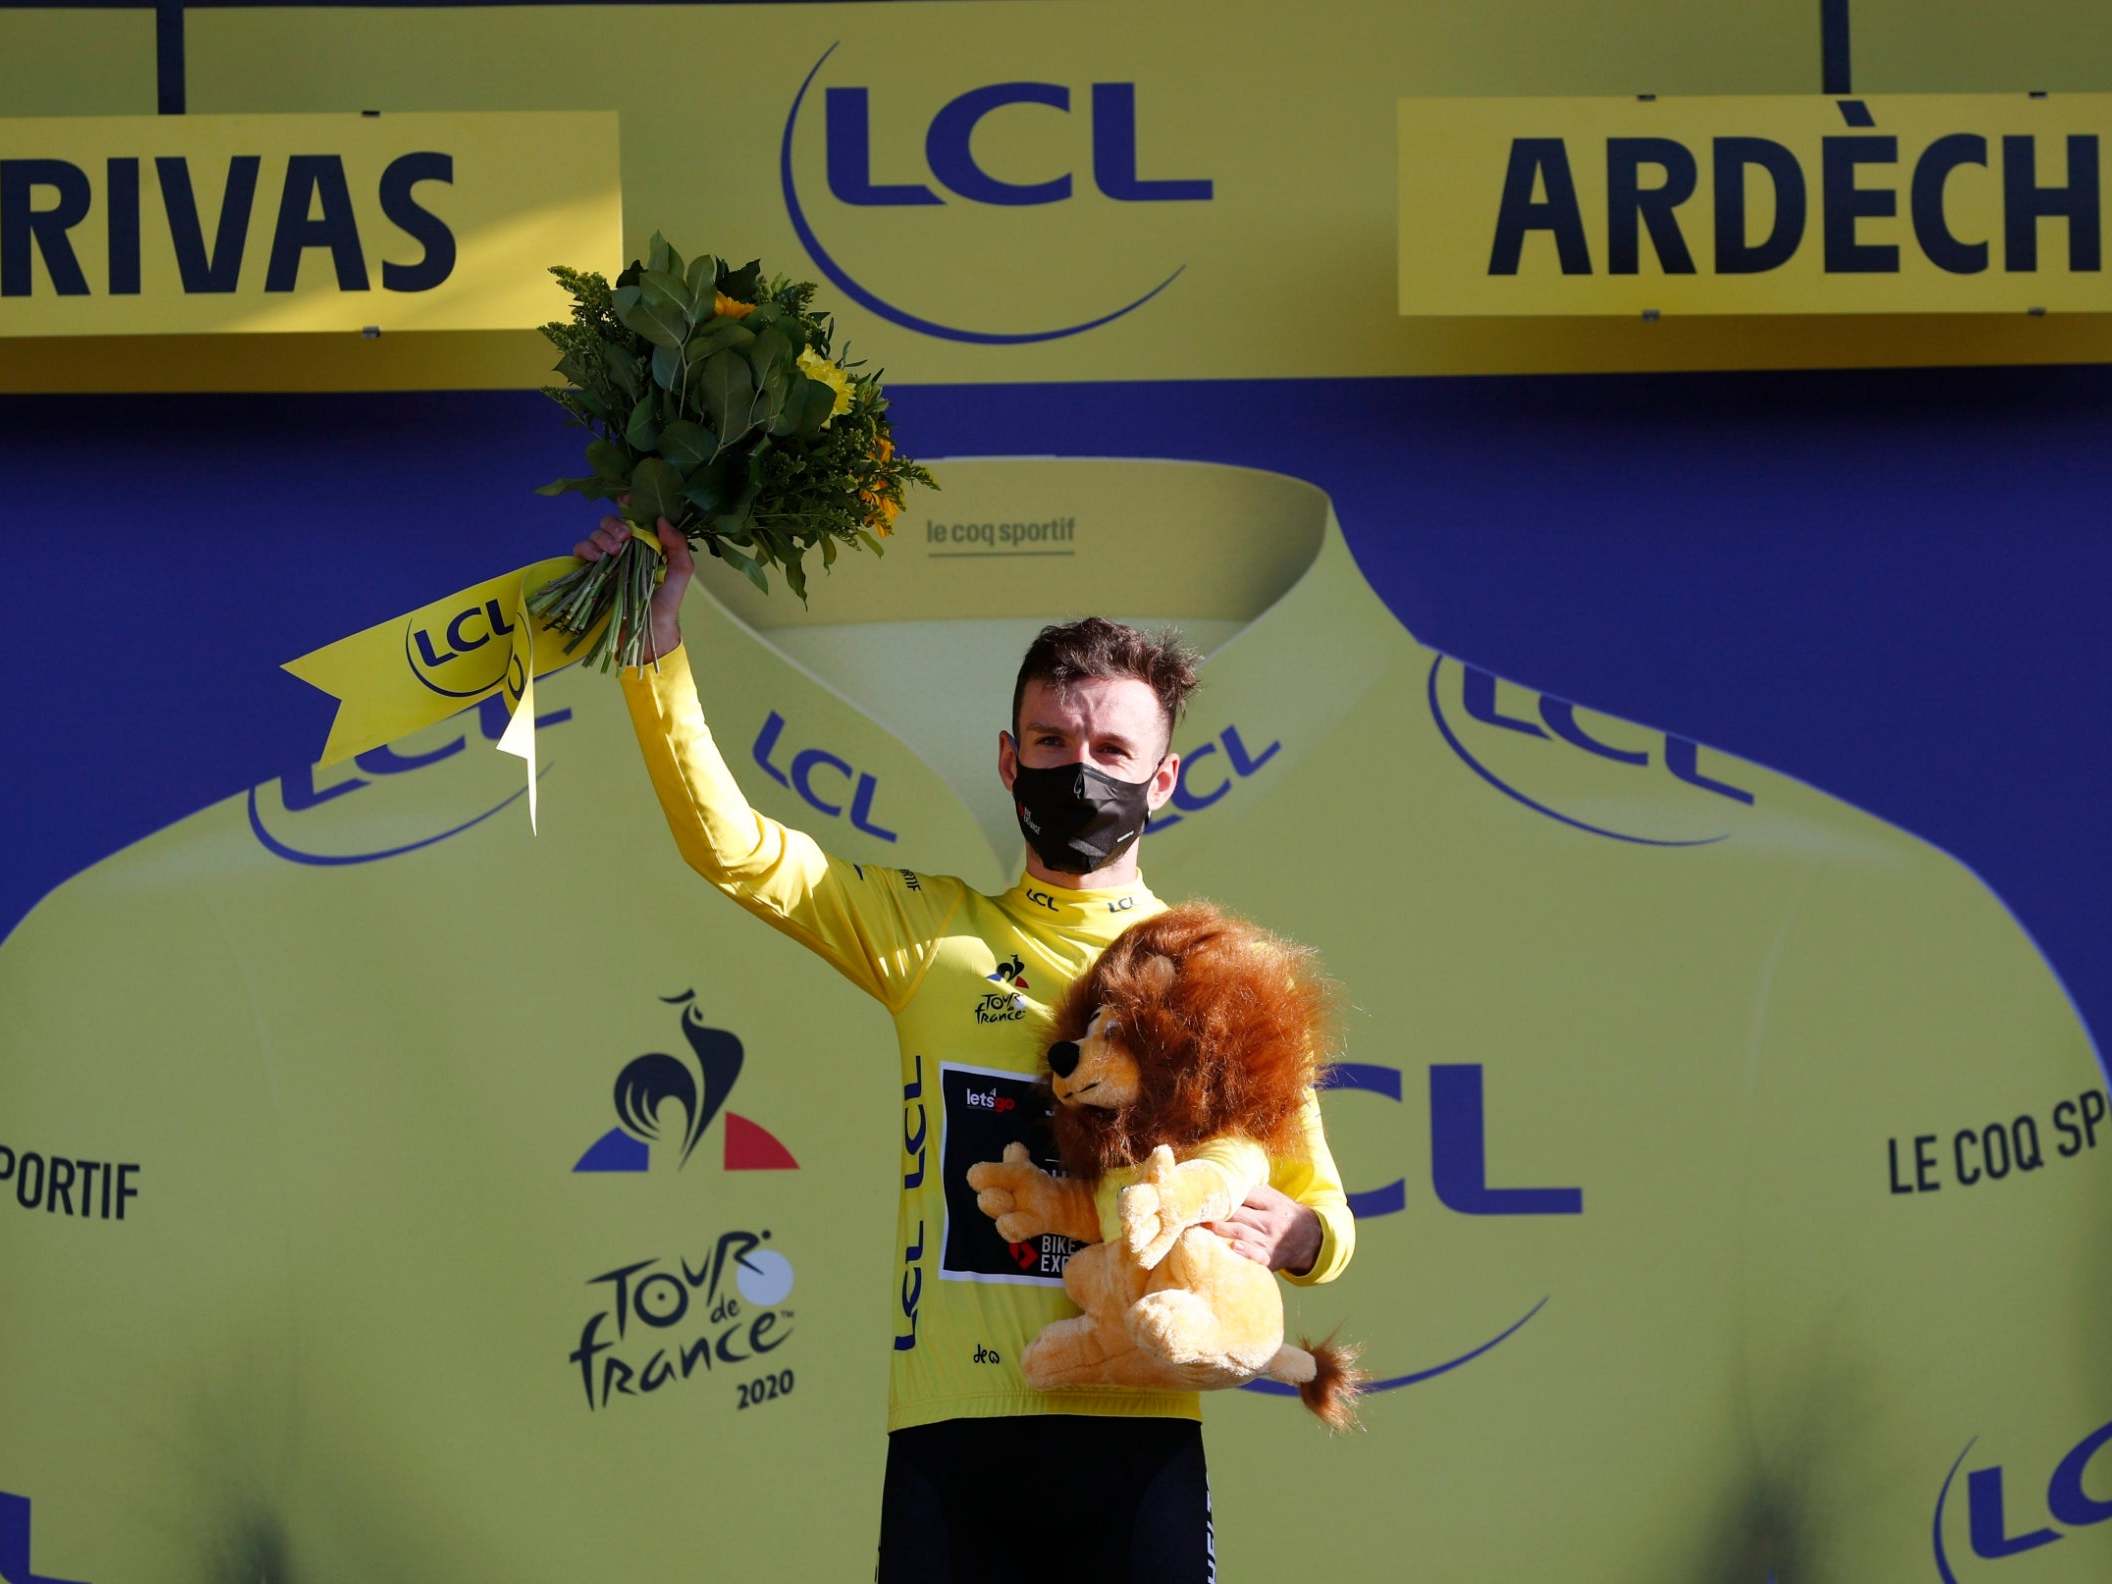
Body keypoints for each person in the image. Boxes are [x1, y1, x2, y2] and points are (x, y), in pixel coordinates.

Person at [576, 512, 1356, 1582]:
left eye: (1113, 751)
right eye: (1051, 744)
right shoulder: (928, 936)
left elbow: (1326, 1213)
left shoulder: (1225, 981)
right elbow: (734, 849)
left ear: (1163, 780)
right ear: (1007, 759)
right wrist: (653, 644)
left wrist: (1300, 1232)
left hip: (1138, 1429)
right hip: (954, 1432)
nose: (1079, 771)